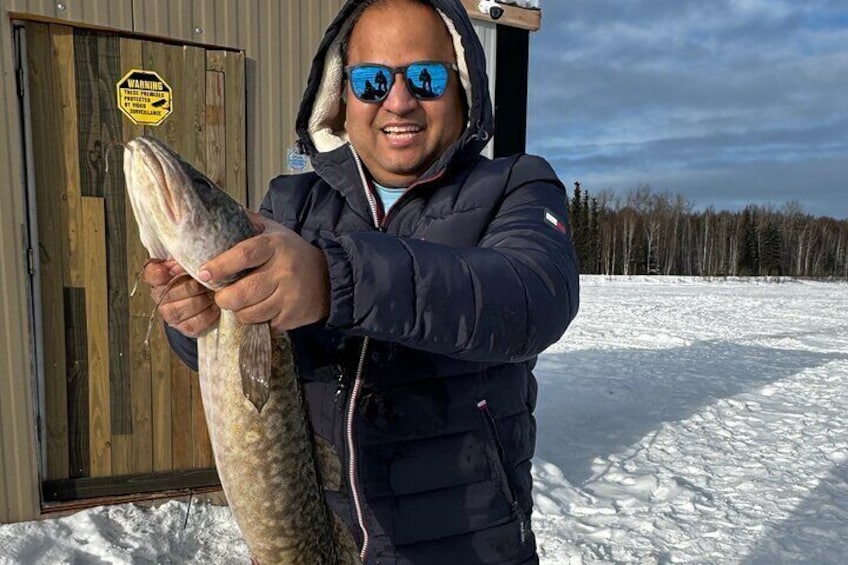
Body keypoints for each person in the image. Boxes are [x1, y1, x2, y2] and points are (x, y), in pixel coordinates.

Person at [142, 0, 579, 562]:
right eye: (372, 80)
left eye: (425, 77)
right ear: (340, 97)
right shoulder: (290, 206)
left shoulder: (516, 186)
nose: (398, 101)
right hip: (314, 536)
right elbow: (241, 360)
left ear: (463, 88)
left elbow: (532, 297)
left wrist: (332, 281)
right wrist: (196, 319)